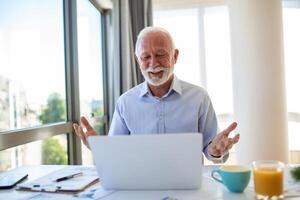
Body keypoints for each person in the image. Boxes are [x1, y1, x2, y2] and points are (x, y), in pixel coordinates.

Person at [73, 26, 240, 163]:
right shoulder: (125, 102)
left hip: (188, 189)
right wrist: (99, 147)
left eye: (161, 55)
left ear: (175, 56)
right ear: (138, 61)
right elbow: (116, 154)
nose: (153, 63)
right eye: (146, 57)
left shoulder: (199, 98)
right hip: (141, 188)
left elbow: (213, 150)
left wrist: (216, 151)